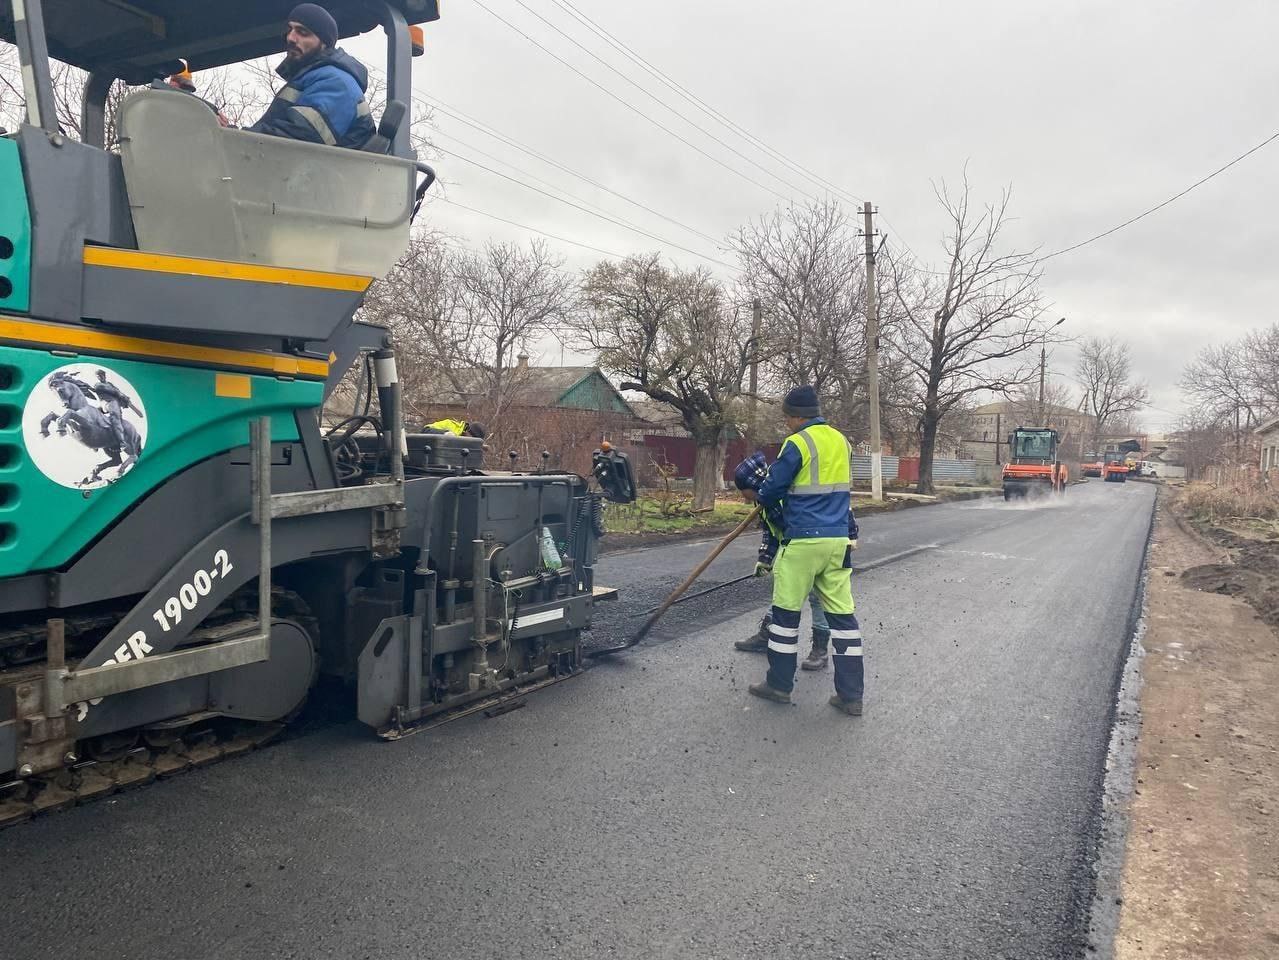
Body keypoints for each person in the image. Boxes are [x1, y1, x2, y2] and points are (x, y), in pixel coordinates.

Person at [748, 386, 865, 715]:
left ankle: (779, 685)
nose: (786, 423)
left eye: (787, 417)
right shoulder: (842, 441)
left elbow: (771, 489)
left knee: (785, 616)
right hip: (838, 540)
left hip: (802, 540)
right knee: (843, 618)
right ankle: (851, 696)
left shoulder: (797, 443)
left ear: (797, 416)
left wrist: (768, 507)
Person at [731, 452, 859, 671]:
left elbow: (840, 510)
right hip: (796, 548)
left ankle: (820, 650)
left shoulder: (790, 494)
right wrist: (765, 559)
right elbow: (772, 533)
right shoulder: (767, 502)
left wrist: (852, 535)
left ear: (756, 485)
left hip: (824, 544)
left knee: (818, 597)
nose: (747, 499)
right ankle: (768, 635)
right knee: (785, 592)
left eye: (748, 494)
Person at [248, 5, 375, 149]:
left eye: (302, 32)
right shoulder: (310, 79)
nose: (291, 38)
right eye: (290, 30)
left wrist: (237, 138)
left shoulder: (337, 82)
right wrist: (228, 131)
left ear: (324, 42)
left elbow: (298, 140)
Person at [167, 60, 229, 126]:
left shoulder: (197, 110)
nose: (181, 90)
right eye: (176, 81)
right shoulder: (158, 98)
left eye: (186, 88)